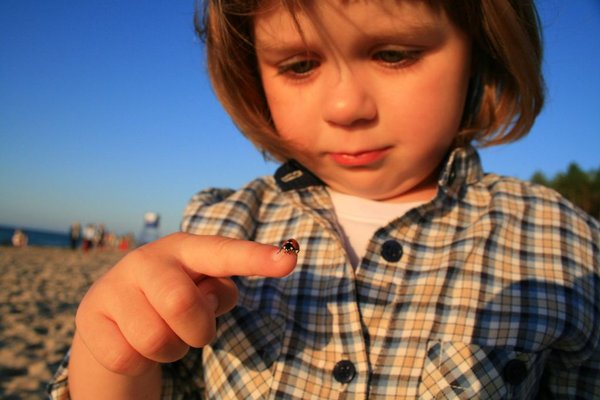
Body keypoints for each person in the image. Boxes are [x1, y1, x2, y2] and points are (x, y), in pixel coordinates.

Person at [48, 1, 599, 398]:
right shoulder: (221, 227)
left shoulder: (565, 245)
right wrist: (113, 346)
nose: (345, 106)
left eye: (392, 53)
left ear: (479, 51)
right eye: (300, 65)